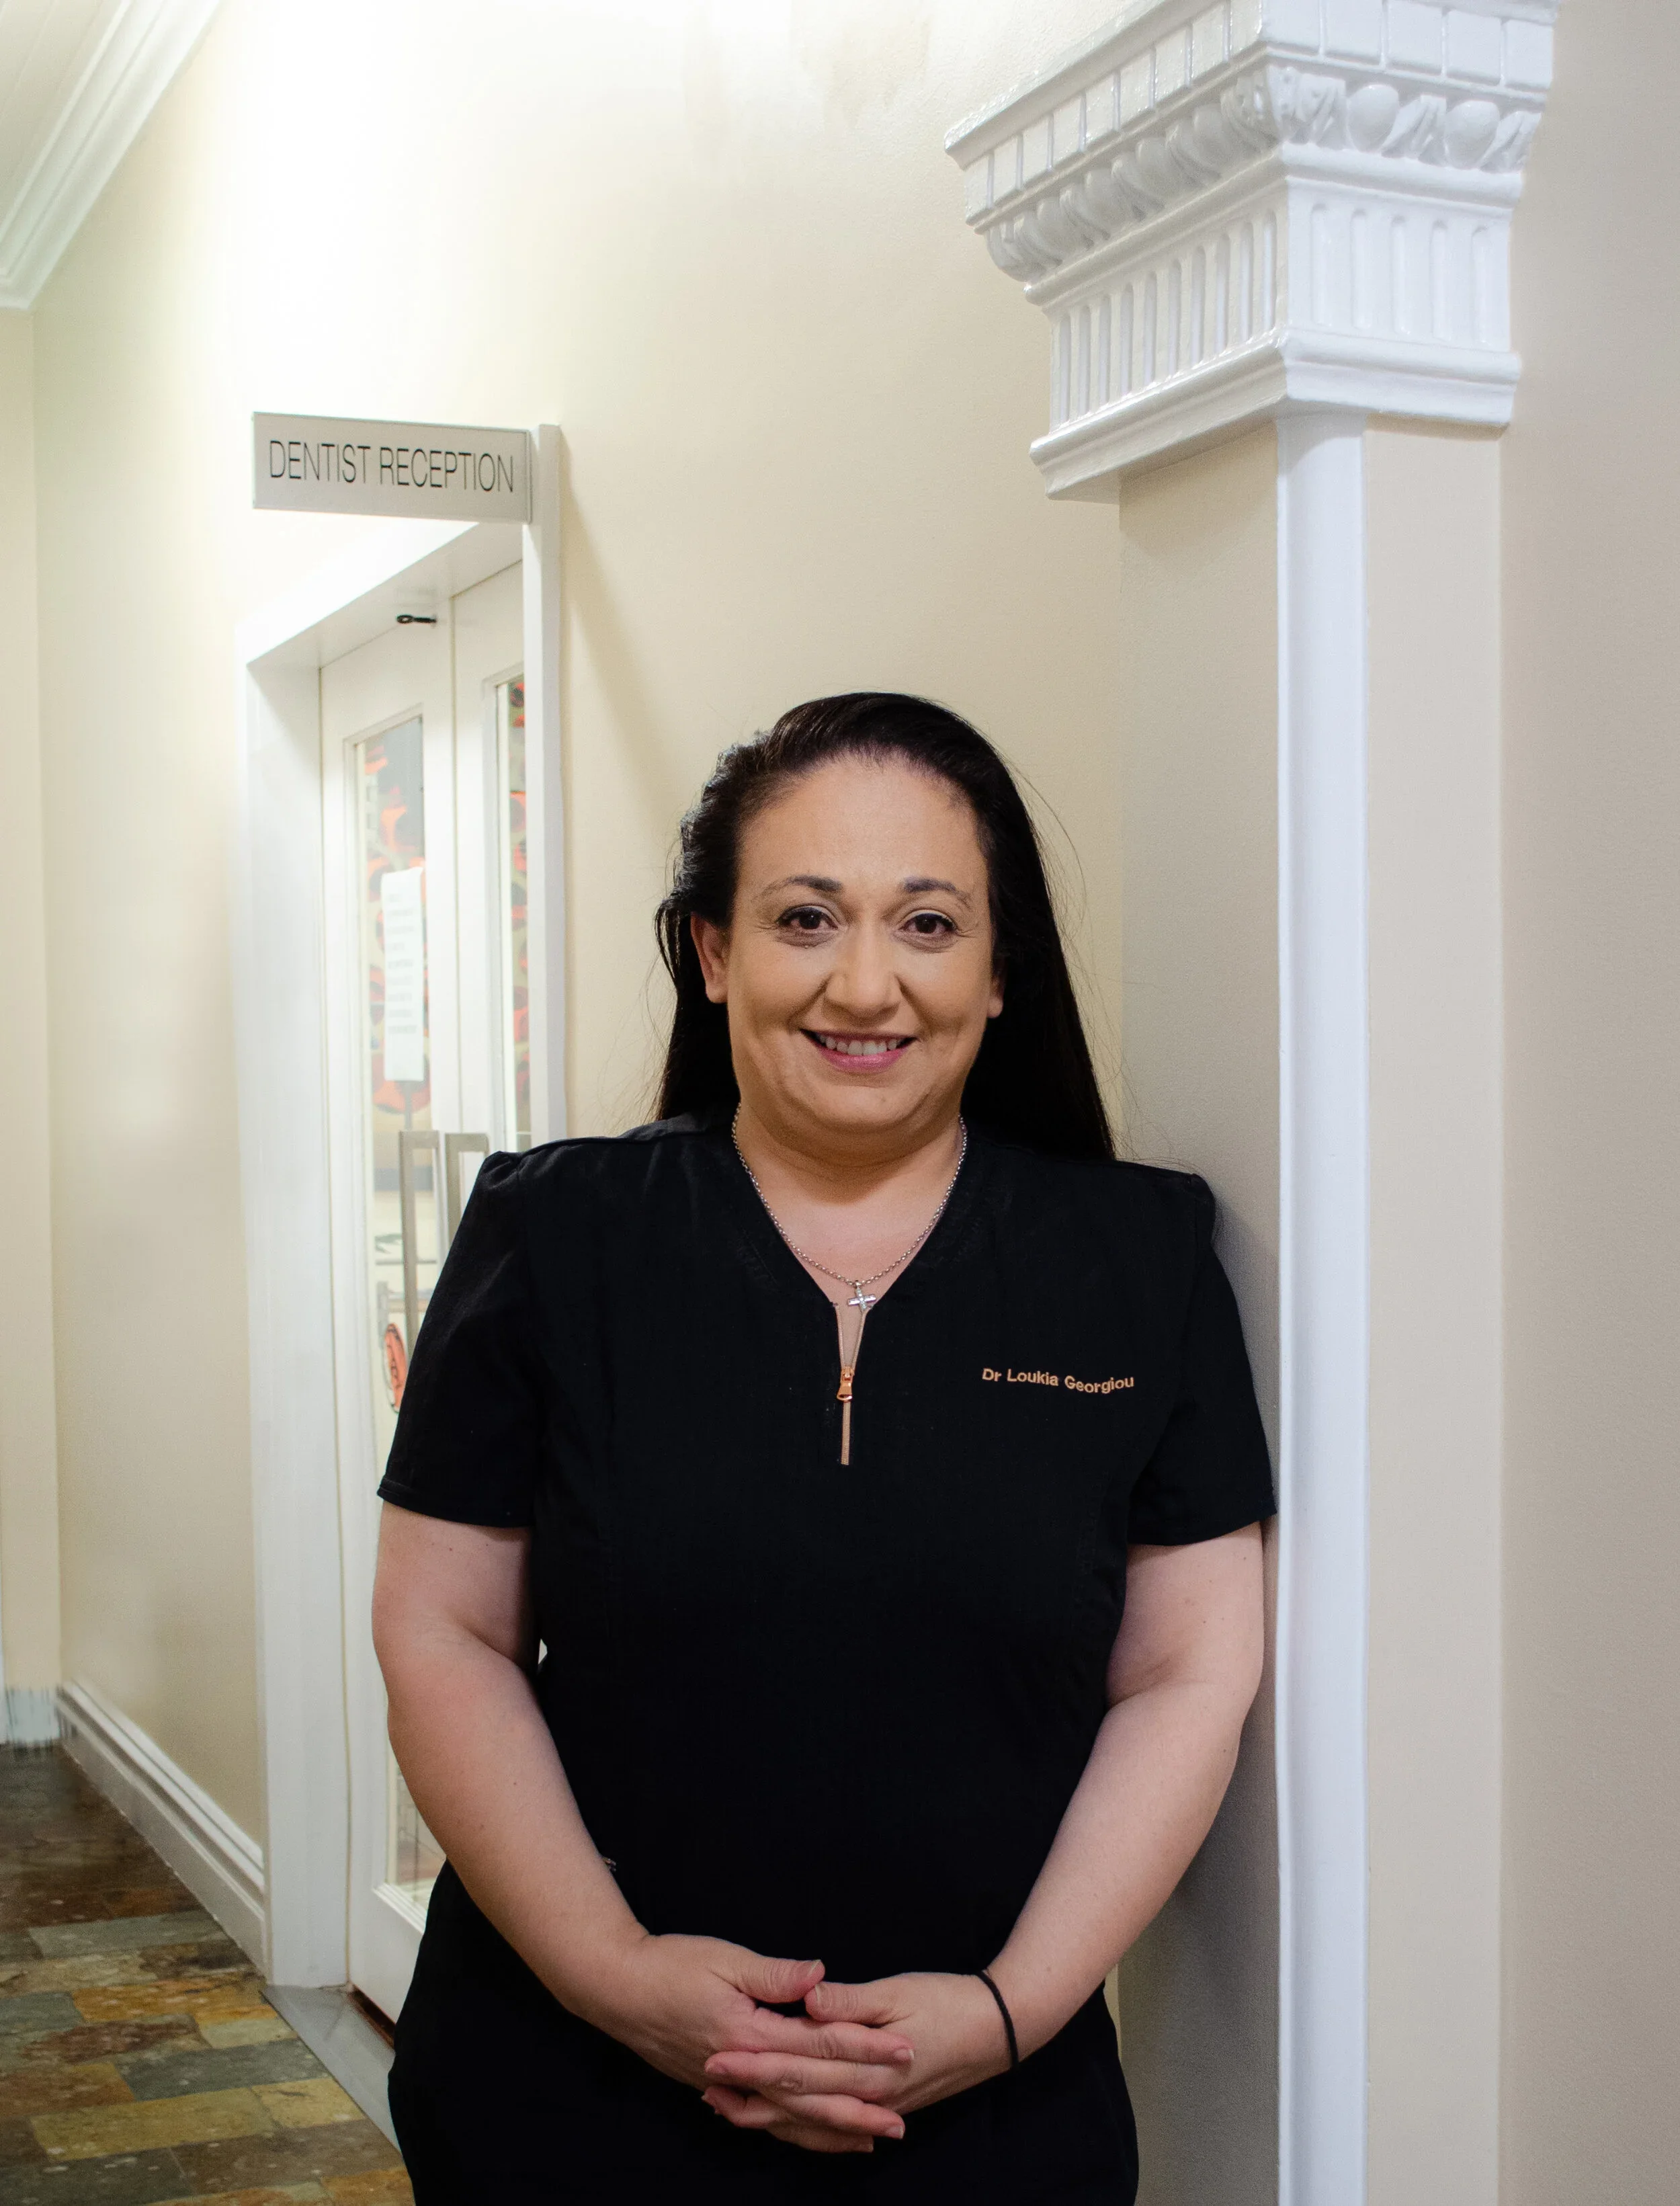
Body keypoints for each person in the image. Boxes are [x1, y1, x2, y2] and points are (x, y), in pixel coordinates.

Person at [374, 692, 1274, 2201]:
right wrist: (614, 1974)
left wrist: (1010, 2009)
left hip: (988, 2119)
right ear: (713, 953)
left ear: (1000, 970)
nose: (865, 984)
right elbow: (442, 1632)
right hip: (567, 2098)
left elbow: (1187, 1673)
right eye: (804, 919)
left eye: (928, 925)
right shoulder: (556, 1234)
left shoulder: (1140, 1260)